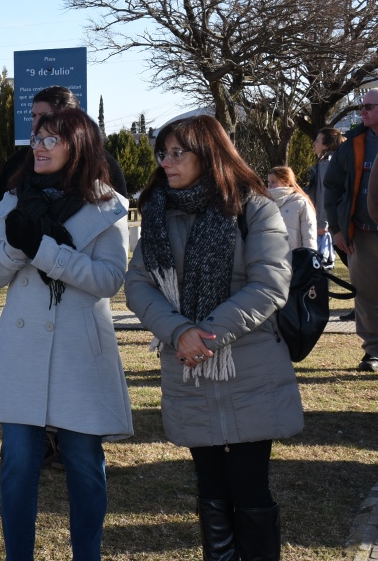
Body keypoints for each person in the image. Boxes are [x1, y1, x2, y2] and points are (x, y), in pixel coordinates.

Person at [124, 114, 302, 560]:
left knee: (249, 487)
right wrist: (179, 332)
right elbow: (139, 284)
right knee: (210, 490)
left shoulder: (254, 207)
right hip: (188, 370)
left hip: (249, 366)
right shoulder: (159, 212)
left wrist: (204, 335)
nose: (166, 161)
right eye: (162, 153)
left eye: (177, 152)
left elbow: (270, 284)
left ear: (209, 153)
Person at [0, 107, 132, 560]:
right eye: (36, 138)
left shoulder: (106, 205)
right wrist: (14, 244)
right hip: (23, 351)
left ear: (77, 145)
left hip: (79, 355)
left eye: (50, 139)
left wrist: (43, 249)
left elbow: (109, 280)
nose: (38, 147)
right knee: (17, 466)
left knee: (84, 467)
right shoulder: (13, 199)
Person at [324, 90, 378, 369]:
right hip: (363, 233)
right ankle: (374, 350)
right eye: (361, 106)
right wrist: (336, 229)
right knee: (367, 293)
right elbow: (332, 187)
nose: (362, 111)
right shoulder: (352, 144)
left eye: (369, 106)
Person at [0, 86, 127, 198]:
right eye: (33, 116)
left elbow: (116, 210)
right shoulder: (17, 163)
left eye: (43, 116)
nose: (36, 123)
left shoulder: (103, 164)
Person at [305, 126, 345, 266]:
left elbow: (325, 195)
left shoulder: (326, 163)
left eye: (317, 141)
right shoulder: (337, 160)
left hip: (332, 224)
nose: (314, 144)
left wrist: (322, 223)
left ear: (326, 145)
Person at [267, 166, 316, 250]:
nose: (269, 186)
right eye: (269, 182)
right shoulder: (265, 203)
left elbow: (309, 235)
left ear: (286, 182)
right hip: (271, 255)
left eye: (274, 182)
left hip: (294, 257)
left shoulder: (300, 203)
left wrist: (309, 255)